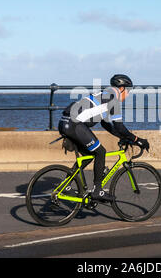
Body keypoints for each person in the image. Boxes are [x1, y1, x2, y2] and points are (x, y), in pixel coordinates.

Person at [58, 74, 150, 202]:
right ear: (122, 88)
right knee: (100, 152)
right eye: (128, 91)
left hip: (65, 122)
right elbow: (119, 126)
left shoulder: (105, 95)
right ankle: (98, 190)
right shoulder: (113, 100)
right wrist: (136, 139)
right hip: (75, 124)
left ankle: (66, 185)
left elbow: (106, 124)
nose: (128, 95)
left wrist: (122, 137)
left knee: (88, 154)